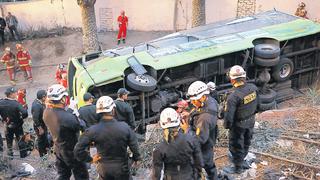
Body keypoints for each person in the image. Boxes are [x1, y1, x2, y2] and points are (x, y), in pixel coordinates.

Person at [74, 96, 141, 180]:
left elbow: (77, 150)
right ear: (113, 110)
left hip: (104, 169)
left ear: (98, 112)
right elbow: (134, 145)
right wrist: (137, 158)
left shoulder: (93, 130)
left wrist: (90, 159)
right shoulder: (125, 127)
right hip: (122, 168)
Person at [43, 84, 89, 179]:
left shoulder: (46, 112)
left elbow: (61, 118)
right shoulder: (68, 118)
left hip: (58, 149)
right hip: (72, 152)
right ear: (62, 99)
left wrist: (70, 110)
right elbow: (82, 125)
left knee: (64, 175)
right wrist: (76, 114)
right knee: (81, 175)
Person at [223, 65, 258, 174]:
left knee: (236, 146)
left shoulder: (233, 96)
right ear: (244, 76)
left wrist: (227, 126)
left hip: (238, 126)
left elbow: (229, 116)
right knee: (246, 142)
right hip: (251, 121)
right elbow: (259, 106)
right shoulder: (253, 88)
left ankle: (238, 168)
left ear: (232, 79)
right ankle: (242, 161)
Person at [181, 81, 219, 180]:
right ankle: (213, 177)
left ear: (202, 97)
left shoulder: (205, 118)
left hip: (203, 146)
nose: (193, 103)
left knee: (199, 165)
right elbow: (199, 110)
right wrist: (189, 114)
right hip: (209, 138)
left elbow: (199, 139)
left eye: (194, 100)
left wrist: (186, 129)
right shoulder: (210, 101)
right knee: (209, 163)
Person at [152, 108, 203, 180]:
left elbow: (156, 173)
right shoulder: (191, 140)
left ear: (162, 124)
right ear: (178, 121)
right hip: (189, 176)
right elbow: (199, 162)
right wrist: (198, 175)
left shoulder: (160, 148)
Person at [0, 87, 28, 157]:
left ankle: (10, 155)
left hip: (7, 125)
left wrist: (2, 120)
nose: (16, 94)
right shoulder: (15, 103)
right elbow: (25, 113)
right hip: (17, 125)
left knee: (9, 141)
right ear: (11, 94)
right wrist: (22, 118)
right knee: (21, 139)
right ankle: (23, 155)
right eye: (15, 93)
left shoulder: (1, 102)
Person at [31, 90, 50, 157]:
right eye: (46, 96)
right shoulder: (37, 106)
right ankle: (43, 156)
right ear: (43, 97)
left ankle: (46, 150)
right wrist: (40, 128)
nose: (47, 98)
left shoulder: (40, 102)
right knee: (41, 141)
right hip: (40, 126)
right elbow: (35, 118)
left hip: (43, 125)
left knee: (44, 138)